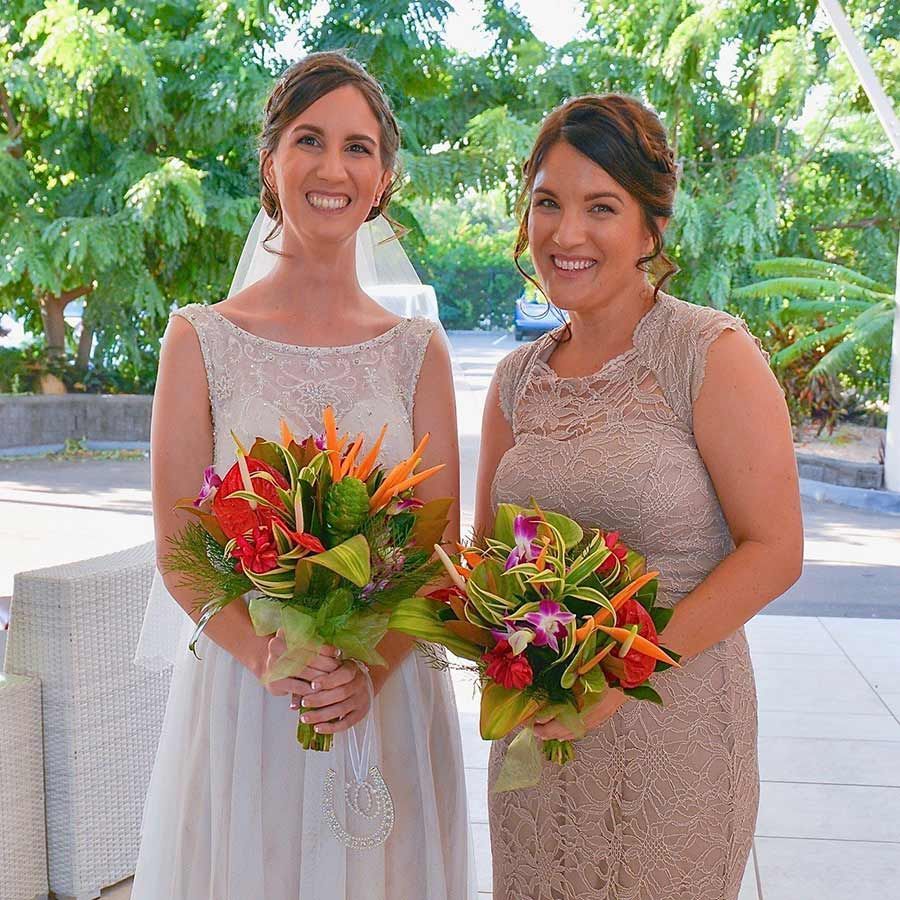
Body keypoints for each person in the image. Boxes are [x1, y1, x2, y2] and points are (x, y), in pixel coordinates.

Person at [132, 51, 474, 899]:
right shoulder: (199, 338)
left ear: (384, 178)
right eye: (309, 139)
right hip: (252, 694)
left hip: (386, 696)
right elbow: (180, 547)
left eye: (359, 148)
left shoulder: (417, 351)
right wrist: (273, 661)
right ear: (270, 160)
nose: (333, 168)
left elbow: (438, 550)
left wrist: (368, 674)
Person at [474, 94, 803, 900]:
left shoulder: (708, 352)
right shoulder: (515, 383)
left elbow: (775, 551)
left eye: (601, 208)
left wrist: (619, 674)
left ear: (650, 230)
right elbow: (487, 556)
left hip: (673, 727)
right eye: (547, 203)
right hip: (537, 738)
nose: (566, 233)